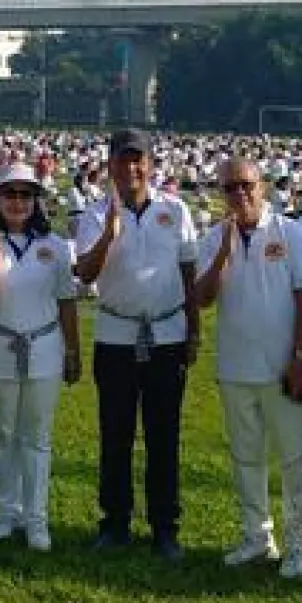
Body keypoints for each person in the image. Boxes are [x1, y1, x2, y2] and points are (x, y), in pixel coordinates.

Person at [73, 128, 200, 560]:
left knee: (164, 435)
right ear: (109, 165)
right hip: (116, 335)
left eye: (138, 160)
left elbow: (188, 273)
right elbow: (85, 274)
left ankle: (165, 526)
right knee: (116, 433)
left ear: (150, 163)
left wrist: (194, 329)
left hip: (166, 334)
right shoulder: (92, 214)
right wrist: (109, 233)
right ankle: (114, 523)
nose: (131, 168)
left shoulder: (175, 209)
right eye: (123, 160)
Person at [191, 158, 302, 578]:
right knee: (246, 457)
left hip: (283, 366)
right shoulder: (214, 237)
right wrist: (225, 253)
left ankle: (299, 543)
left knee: (294, 456)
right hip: (235, 365)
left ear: (261, 186)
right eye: (230, 188)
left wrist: (300, 357)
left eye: (246, 185)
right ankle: (257, 537)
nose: (240, 194)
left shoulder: (290, 231)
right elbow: (203, 298)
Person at [0, 163, 80, 552]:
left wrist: (73, 350)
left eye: (25, 194)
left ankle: (36, 519)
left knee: (37, 437)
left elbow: (66, 302)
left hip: (44, 348)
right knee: (5, 435)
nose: (17, 202)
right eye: (9, 194)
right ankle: (6, 511)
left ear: (36, 201)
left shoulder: (55, 246)